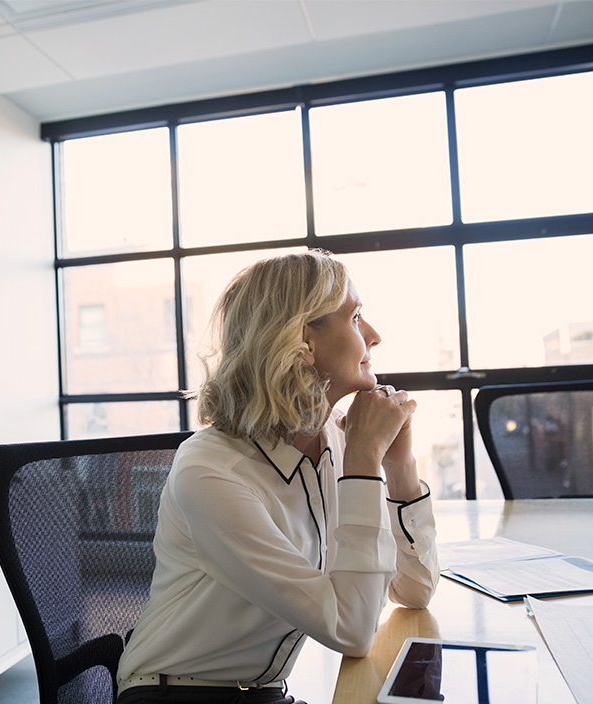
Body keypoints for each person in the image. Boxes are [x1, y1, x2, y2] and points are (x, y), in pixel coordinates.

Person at [115, 249, 439, 704]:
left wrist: (398, 466)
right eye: (356, 317)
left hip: (263, 694)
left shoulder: (333, 440)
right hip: (175, 696)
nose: (374, 335)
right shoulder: (211, 472)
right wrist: (364, 462)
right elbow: (353, 631)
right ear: (303, 341)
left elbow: (416, 589)